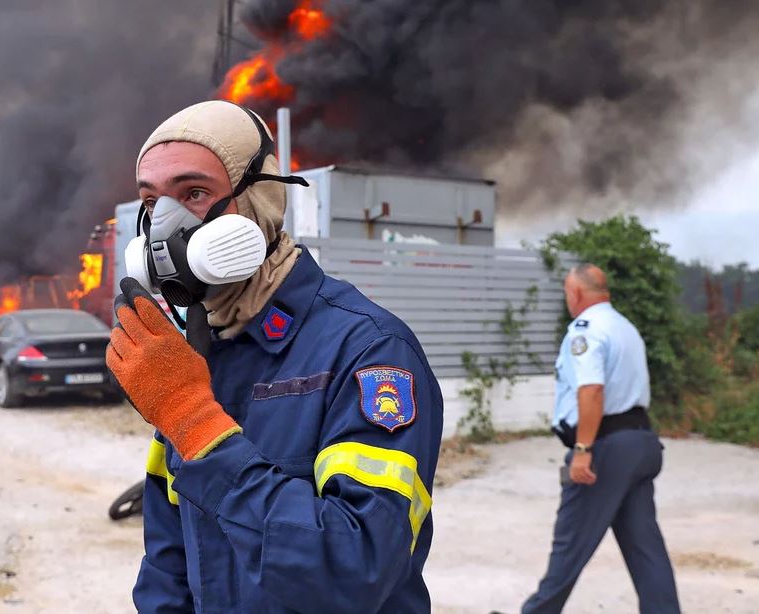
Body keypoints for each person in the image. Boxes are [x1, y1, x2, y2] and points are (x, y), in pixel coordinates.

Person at [106, 100, 443, 613]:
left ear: (261, 200)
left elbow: (356, 571)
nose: (161, 227)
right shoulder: (195, 359)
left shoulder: (367, 351)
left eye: (193, 193)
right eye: (151, 203)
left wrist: (195, 424)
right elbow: (167, 560)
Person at [521, 263, 680, 613]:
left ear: (576, 293)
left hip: (604, 449)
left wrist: (582, 449)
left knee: (569, 545)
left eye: (566, 293)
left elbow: (591, 390)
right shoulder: (625, 327)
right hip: (640, 443)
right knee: (644, 548)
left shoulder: (586, 329)